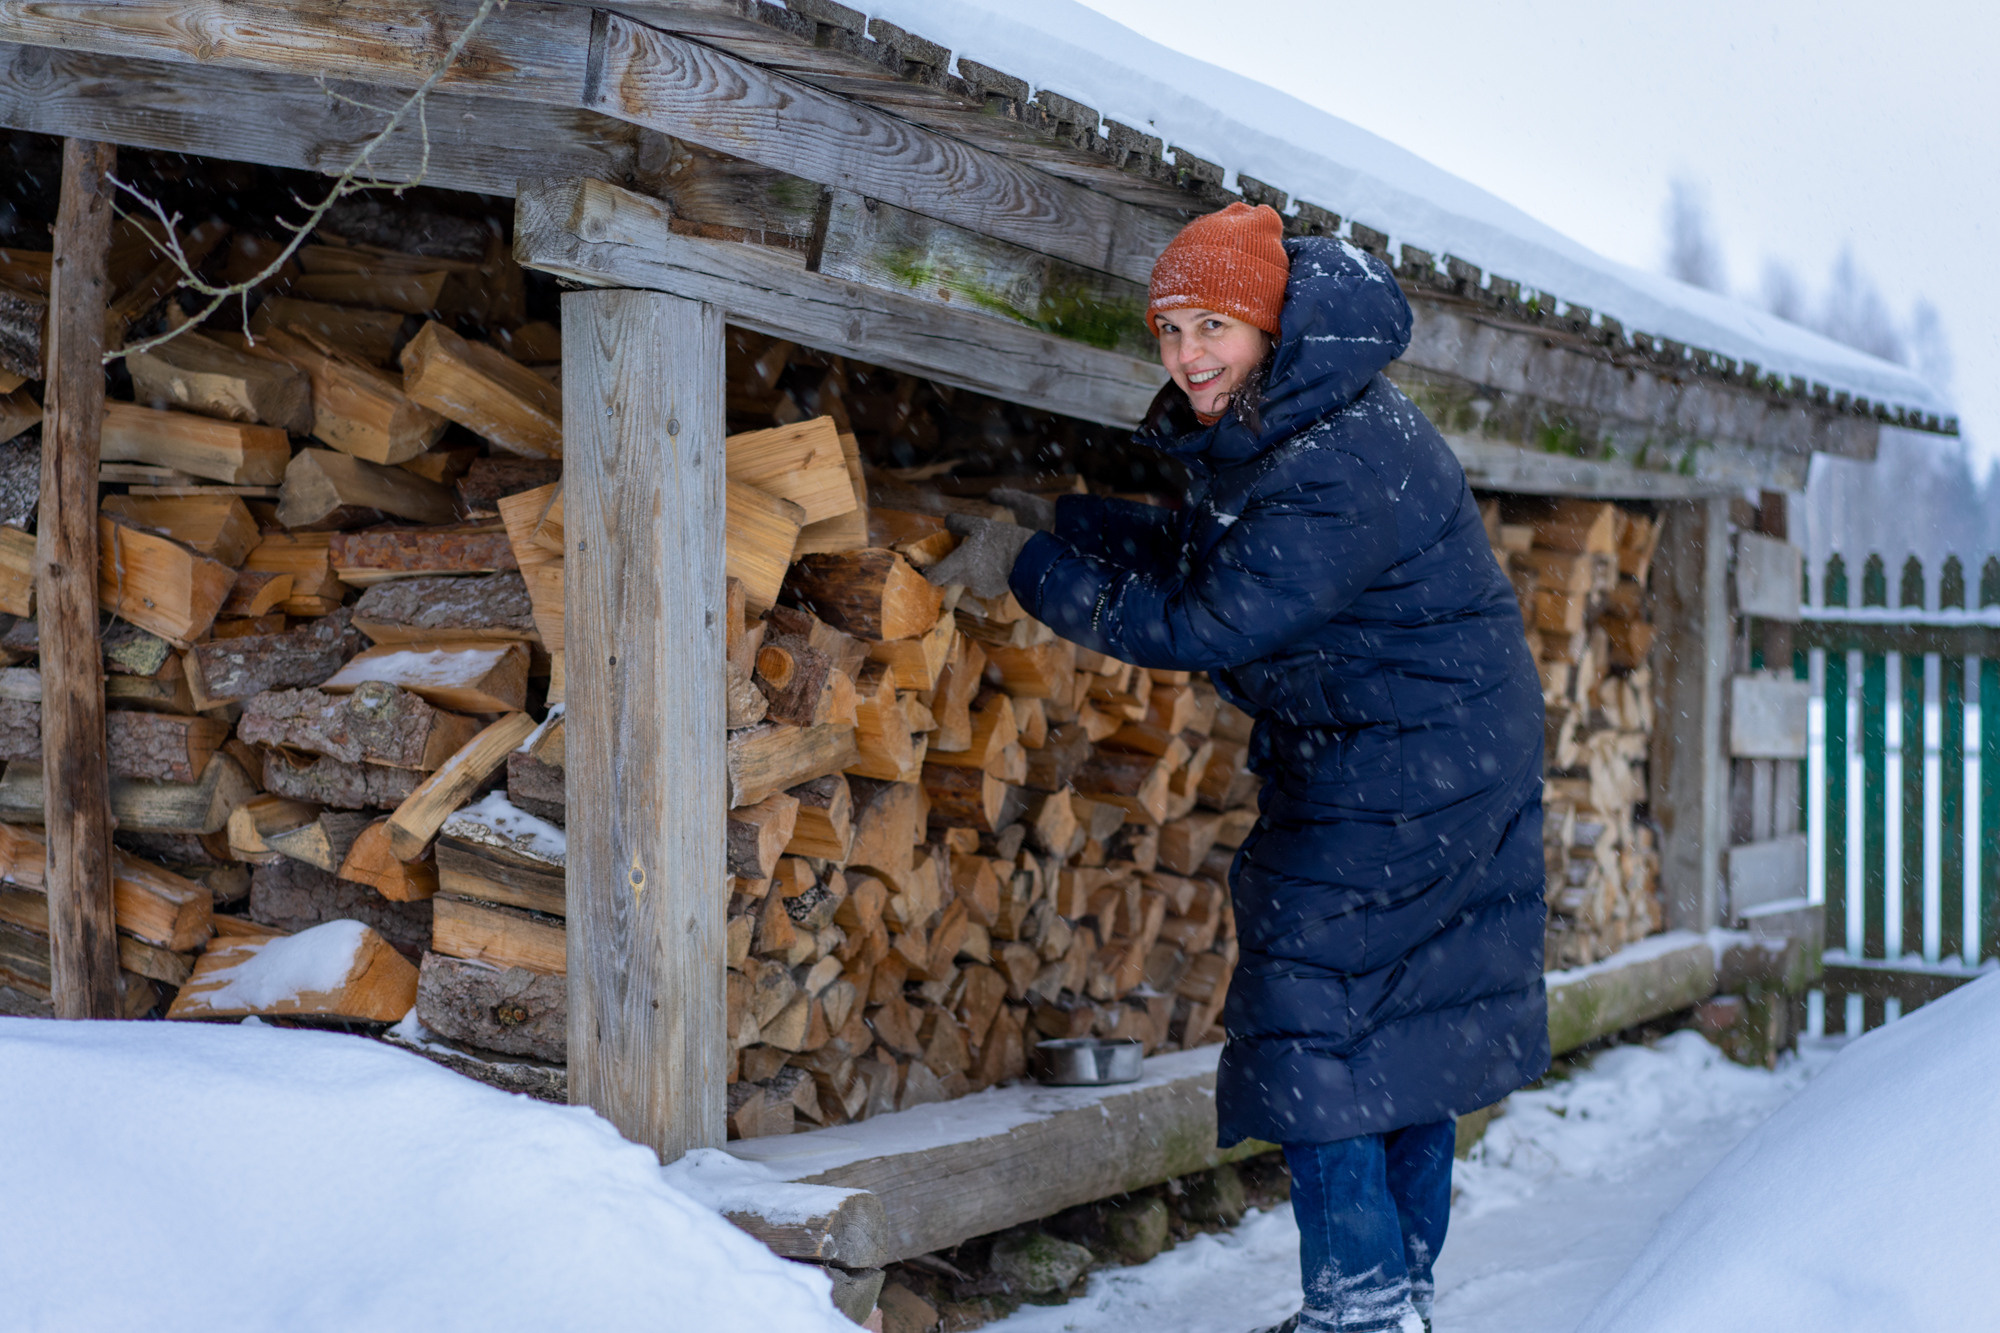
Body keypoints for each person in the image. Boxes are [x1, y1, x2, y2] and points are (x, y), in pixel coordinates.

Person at [980, 203, 1551, 1333]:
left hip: (1406, 763)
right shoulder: (1313, 415)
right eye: (1169, 328)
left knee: (1312, 1016)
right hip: (1426, 746)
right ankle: (1391, 1299)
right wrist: (1070, 521)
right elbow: (1224, 554)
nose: (1187, 355)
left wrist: (1026, 565)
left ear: (1272, 327)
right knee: (1399, 1026)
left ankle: (1359, 1311)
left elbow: (1204, 618)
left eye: (1214, 326)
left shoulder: (1334, 457)